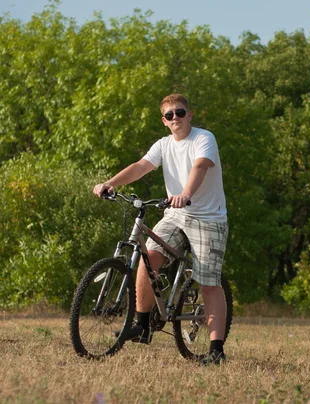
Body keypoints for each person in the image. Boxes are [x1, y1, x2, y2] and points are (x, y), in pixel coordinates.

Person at [93, 93, 229, 365]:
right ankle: (142, 325)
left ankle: (216, 350)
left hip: (209, 218)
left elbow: (200, 167)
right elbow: (141, 166)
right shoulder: (164, 145)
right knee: (147, 257)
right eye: (169, 115)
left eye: (180, 113)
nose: (175, 118)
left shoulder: (204, 138)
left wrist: (186, 193)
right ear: (164, 121)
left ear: (189, 115)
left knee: (209, 283)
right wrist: (111, 183)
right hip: (175, 215)